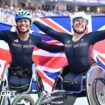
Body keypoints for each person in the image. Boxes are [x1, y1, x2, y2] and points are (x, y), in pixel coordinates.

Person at [33, 11, 105, 104]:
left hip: (88, 72)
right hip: (72, 72)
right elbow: (50, 31)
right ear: (72, 24)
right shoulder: (65, 38)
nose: (80, 23)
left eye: (83, 22)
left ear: (86, 25)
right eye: (77, 21)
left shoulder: (90, 37)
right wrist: (35, 21)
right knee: (66, 82)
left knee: (76, 83)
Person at [0, 10, 64, 90]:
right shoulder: (9, 35)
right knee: (11, 87)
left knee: (25, 88)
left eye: (25, 21)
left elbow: (49, 48)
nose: (23, 23)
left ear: (30, 24)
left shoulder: (34, 38)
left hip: (29, 71)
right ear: (16, 23)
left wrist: (65, 48)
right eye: (20, 21)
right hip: (14, 71)